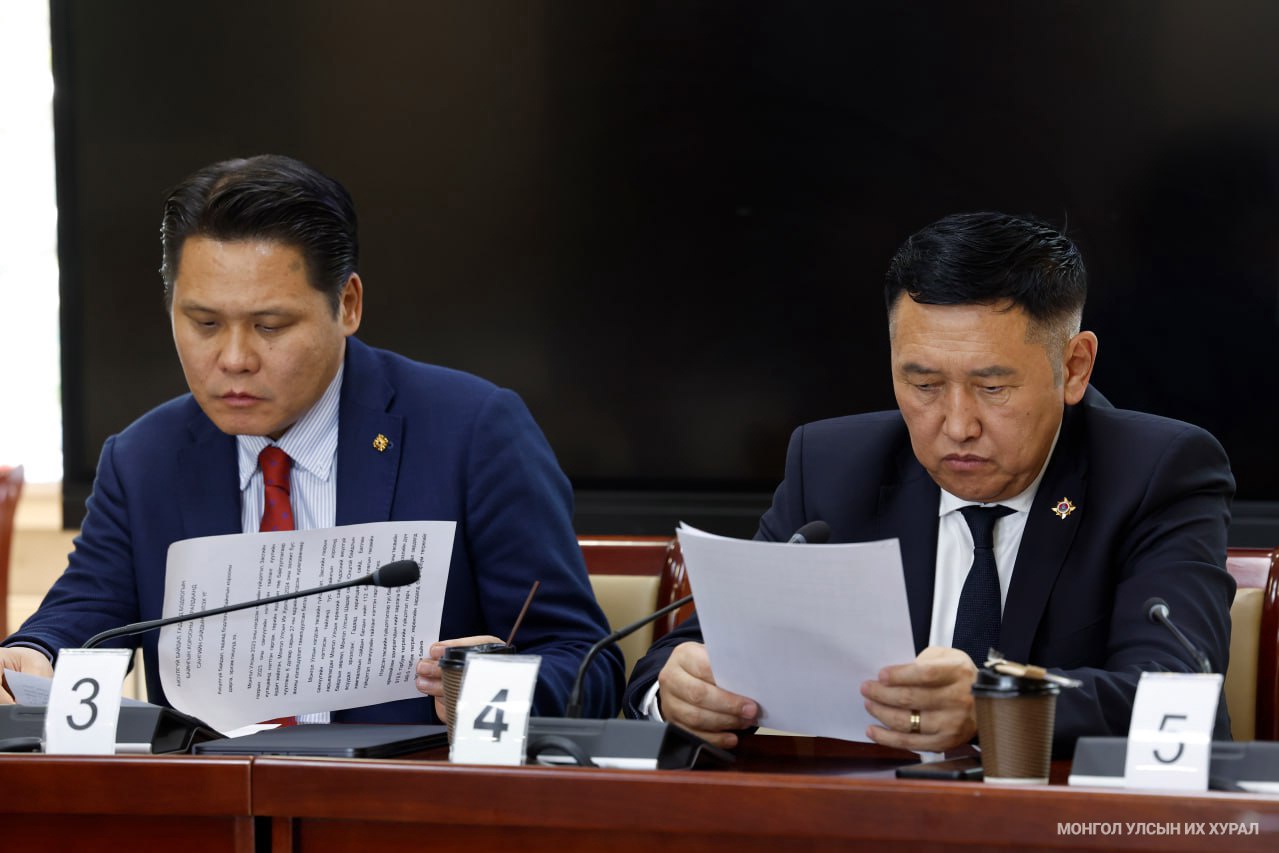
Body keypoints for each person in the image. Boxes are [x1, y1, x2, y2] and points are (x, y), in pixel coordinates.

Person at [0, 154, 623, 723]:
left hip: (402, 796)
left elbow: (587, 664)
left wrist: (492, 687)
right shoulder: (144, 459)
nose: (234, 358)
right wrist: (32, 655)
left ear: (347, 304)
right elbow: (78, 619)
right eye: (204, 323)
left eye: (270, 325)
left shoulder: (473, 433)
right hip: (215, 800)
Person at [624, 211, 1235, 756]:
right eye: (924, 385)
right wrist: (675, 691)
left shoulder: (1154, 473)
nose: (957, 424)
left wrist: (993, 705)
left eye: (993, 387)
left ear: (1073, 367)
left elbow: (1176, 694)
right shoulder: (835, 468)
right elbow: (689, 656)